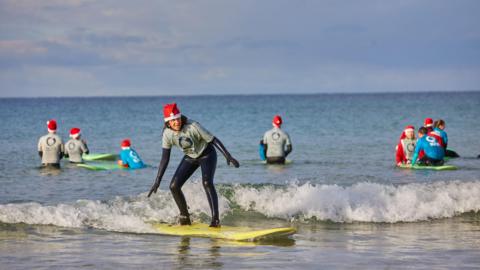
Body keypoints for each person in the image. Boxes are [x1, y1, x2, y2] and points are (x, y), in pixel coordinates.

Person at [147, 103, 239, 227]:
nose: (176, 122)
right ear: (168, 122)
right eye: (173, 120)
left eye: (177, 119)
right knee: (174, 186)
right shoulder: (167, 134)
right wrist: (157, 180)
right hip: (190, 156)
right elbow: (165, 158)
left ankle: (215, 220)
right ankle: (185, 216)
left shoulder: (193, 126)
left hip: (207, 154)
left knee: (207, 182)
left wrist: (227, 155)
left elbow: (213, 140)